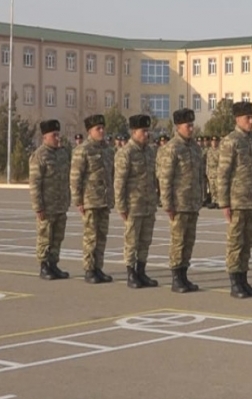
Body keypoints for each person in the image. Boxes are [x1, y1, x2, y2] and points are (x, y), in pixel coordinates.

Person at [218, 101, 252, 298]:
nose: (251, 121)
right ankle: (234, 281)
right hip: (237, 201)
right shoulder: (231, 141)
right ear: (238, 119)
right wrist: (224, 203)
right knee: (235, 242)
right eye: (248, 118)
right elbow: (223, 173)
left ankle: (244, 279)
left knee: (248, 242)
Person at [157, 108, 205, 293]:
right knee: (178, 241)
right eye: (188, 125)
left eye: (192, 125)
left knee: (189, 240)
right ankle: (176, 277)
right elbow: (165, 178)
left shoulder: (195, 147)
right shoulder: (172, 148)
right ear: (178, 127)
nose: (191, 129)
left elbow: (200, 174)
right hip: (179, 203)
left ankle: (184, 274)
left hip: (192, 202)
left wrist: (200, 196)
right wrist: (167, 203)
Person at [114, 114, 159, 288]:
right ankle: (131, 273)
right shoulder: (126, 153)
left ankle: (141, 271)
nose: (147, 134)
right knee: (132, 240)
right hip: (133, 205)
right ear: (134, 132)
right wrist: (121, 206)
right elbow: (119, 182)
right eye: (143, 131)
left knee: (145, 240)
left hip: (148, 204)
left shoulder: (149, 151)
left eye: (148, 131)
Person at [70, 114, 115, 284]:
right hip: (90, 200)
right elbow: (75, 177)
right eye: (98, 129)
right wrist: (78, 200)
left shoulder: (107, 150)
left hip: (104, 200)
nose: (102, 131)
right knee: (91, 237)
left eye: (103, 128)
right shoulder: (83, 150)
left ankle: (98, 268)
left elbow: (111, 174)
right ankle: (89, 269)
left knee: (102, 236)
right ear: (90, 131)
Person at [29, 119, 71, 280]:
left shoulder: (62, 153)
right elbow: (35, 183)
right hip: (47, 205)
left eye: (58, 134)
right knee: (45, 236)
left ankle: (54, 264)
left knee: (58, 236)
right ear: (44, 137)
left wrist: (67, 200)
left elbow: (66, 178)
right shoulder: (39, 156)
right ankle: (44, 266)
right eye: (54, 135)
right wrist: (38, 206)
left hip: (60, 204)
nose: (57, 138)